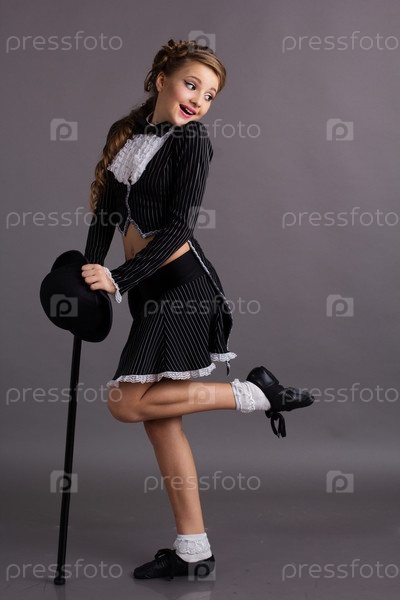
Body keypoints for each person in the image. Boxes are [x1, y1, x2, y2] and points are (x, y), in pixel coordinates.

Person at [82, 38, 314, 581]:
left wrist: (116, 279)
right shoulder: (128, 136)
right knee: (161, 424)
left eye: (209, 95)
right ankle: (193, 551)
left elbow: (179, 229)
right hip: (148, 292)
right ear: (161, 78)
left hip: (183, 288)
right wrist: (88, 275)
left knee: (124, 403)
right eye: (192, 85)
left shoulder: (192, 142)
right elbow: (106, 218)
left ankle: (255, 394)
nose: (199, 100)